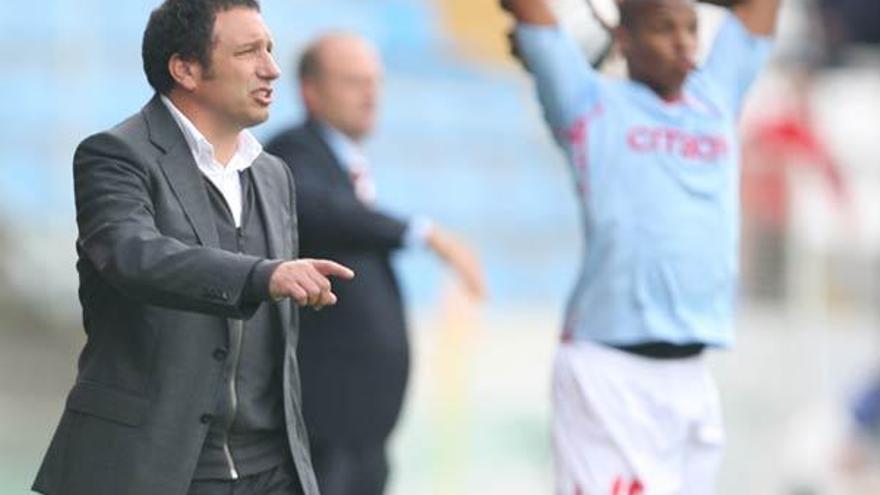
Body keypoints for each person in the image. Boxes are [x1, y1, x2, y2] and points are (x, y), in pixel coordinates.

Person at [31, 1, 355, 494]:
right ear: (184, 68)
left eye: (269, 49)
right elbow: (132, 254)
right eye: (249, 51)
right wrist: (260, 275)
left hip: (272, 472)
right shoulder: (115, 155)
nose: (271, 67)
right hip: (153, 468)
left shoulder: (273, 174)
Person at [501, 0, 781, 493]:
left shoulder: (715, 95)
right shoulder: (586, 102)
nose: (684, 42)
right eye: (663, 28)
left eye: (692, 28)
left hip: (692, 376)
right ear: (624, 39)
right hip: (608, 373)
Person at [264, 33, 485, 495]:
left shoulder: (348, 166)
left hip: (364, 430)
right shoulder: (292, 153)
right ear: (311, 90)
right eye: (352, 81)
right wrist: (426, 235)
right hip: (325, 423)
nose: (370, 94)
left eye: (374, 81)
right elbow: (324, 211)